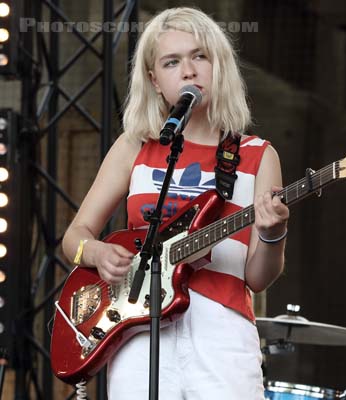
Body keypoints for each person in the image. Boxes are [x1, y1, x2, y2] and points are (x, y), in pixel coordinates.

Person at [62, 7, 289, 399]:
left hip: (222, 332)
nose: (188, 70)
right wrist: (98, 252)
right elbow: (74, 238)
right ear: (154, 80)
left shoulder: (258, 156)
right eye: (172, 62)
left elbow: (258, 278)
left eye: (200, 56)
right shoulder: (135, 146)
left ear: (220, 66)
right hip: (137, 330)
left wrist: (273, 232)